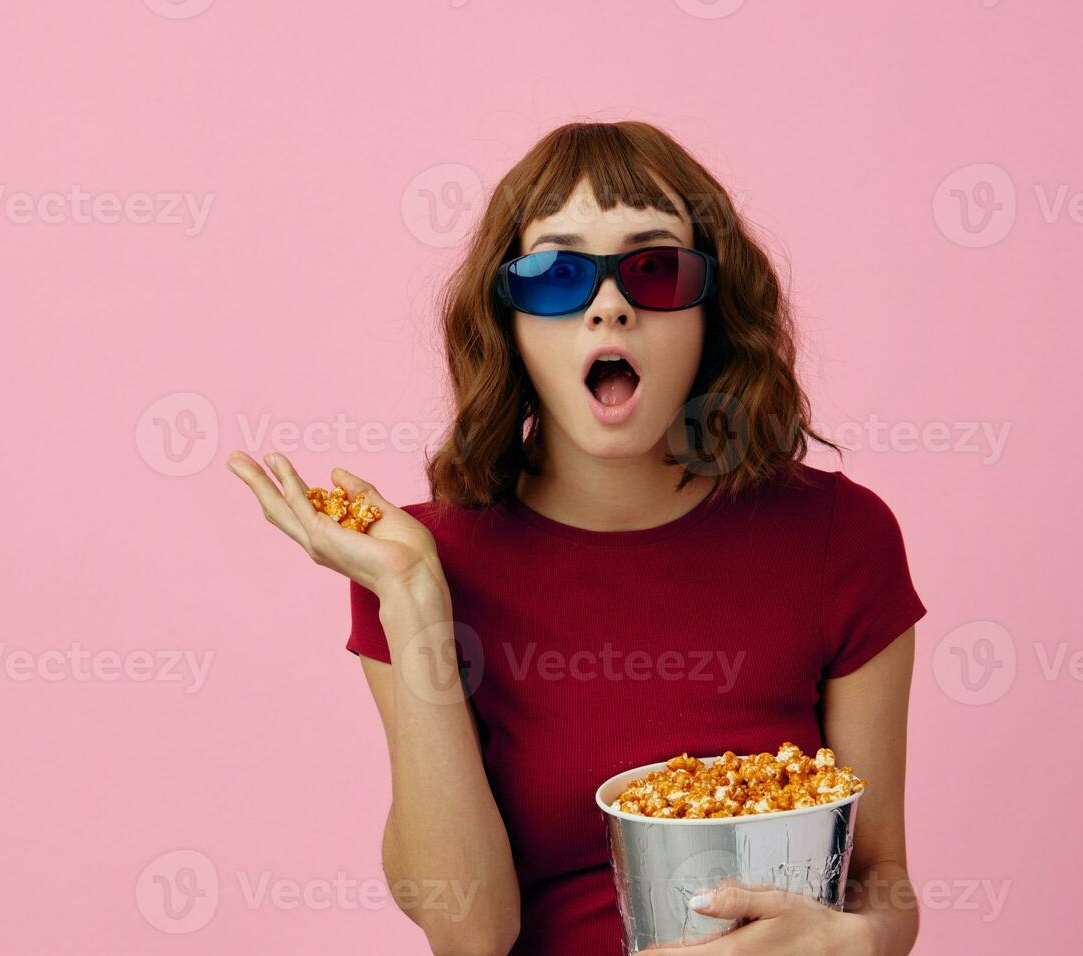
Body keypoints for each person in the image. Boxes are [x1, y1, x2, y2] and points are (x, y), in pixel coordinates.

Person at [228, 120, 926, 955]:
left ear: (713, 312)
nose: (609, 304)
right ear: (508, 322)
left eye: (655, 268)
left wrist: (859, 943)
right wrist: (413, 598)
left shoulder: (841, 540)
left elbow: (880, 881)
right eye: (557, 275)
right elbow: (468, 933)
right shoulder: (421, 563)